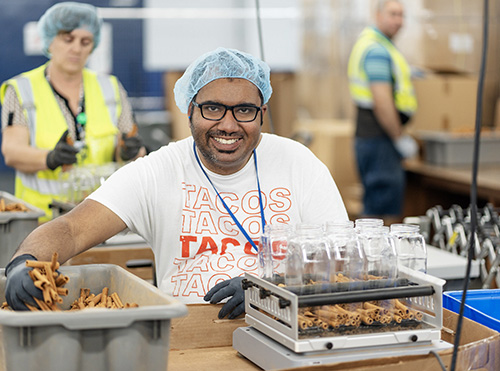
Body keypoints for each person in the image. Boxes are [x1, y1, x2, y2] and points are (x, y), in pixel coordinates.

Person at [4, 47, 348, 319]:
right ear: (189, 111)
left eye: (244, 110)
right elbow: (73, 229)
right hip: (184, 337)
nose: (228, 125)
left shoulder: (299, 164)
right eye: (213, 108)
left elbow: (342, 256)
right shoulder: (158, 171)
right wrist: (25, 261)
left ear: (262, 112)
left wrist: (276, 286)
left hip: (287, 326)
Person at [0, 2, 146, 222]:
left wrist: (130, 152)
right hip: (42, 220)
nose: (76, 48)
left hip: (101, 216)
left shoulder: (111, 88)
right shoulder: (22, 90)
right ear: (49, 40)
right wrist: (49, 158)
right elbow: (11, 151)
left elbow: (131, 146)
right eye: (68, 39)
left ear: (93, 45)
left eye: (85, 41)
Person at [347, 0, 418, 220]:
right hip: (380, 139)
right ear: (378, 15)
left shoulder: (376, 44)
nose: (399, 21)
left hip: (375, 139)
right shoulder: (376, 50)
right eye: (393, 14)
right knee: (381, 216)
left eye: (402, 15)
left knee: (376, 208)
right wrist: (398, 138)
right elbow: (382, 100)